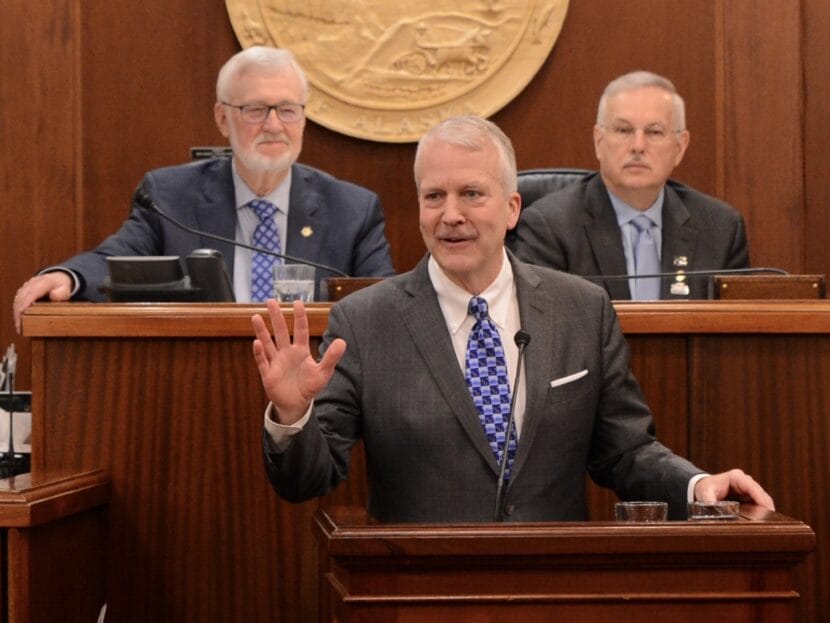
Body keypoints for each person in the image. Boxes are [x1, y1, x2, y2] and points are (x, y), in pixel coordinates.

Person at [250, 115, 774, 523]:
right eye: (434, 196)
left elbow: (625, 450)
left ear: (512, 208)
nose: (450, 214)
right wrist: (292, 417)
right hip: (421, 594)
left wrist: (696, 486)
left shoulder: (581, 309)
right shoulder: (366, 322)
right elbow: (307, 480)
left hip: (552, 589)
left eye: (471, 194)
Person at [13, 46, 395, 332]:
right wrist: (69, 277)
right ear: (222, 118)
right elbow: (116, 260)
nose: (274, 125)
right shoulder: (169, 197)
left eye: (287, 109)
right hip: (200, 385)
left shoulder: (351, 210)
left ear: (303, 119)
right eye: (255, 109)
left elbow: (386, 307)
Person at [507, 70, 749, 300]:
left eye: (654, 132)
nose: (638, 146)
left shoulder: (721, 229)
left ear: (680, 147)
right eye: (623, 130)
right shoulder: (550, 227)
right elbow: (543, 321)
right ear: (598, 141)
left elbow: (738, 324)